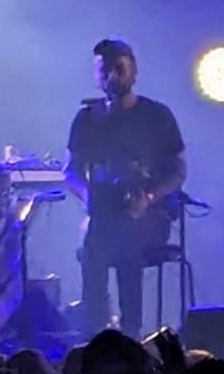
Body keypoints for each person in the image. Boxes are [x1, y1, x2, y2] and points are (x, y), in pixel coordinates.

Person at [67, 38, 187, 336]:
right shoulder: (86, 119)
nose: (112, 76)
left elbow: (179, 170)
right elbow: (70, 171)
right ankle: (97, 332)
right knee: (95, 246)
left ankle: (131, 333)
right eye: (104, 70)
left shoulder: (157, 116)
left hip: (150, 213)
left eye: (119, 69)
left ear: (133, 71)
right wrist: (88, 198)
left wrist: (149, 197)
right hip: (105, 215)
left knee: (126, 242)